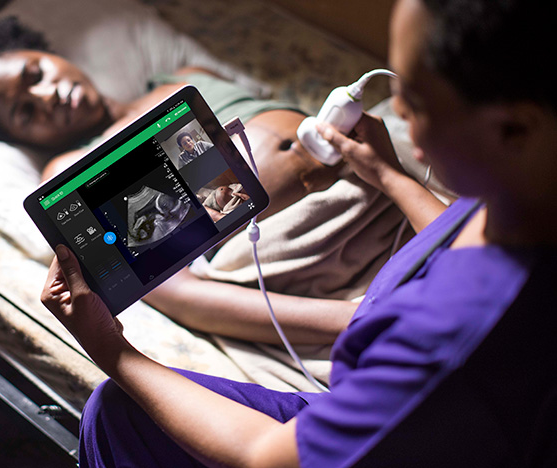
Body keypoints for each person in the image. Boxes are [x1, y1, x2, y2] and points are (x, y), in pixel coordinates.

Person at [40, 0, 557, 465]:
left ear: (515, 128)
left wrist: (111, 350)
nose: (396, 111)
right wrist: (390, 176)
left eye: (417, 103)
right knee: (115, 414)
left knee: (116, 410)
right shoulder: (520, 198)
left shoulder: (443, 341)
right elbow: (460, 232)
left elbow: (267, 458)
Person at [0, 16, 406, 349]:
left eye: (36, 73)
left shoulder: (183, 78)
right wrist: (347, 320)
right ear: (17, 137)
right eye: (24, 111)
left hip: (382, 182)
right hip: (303, 249)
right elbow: (180, 294)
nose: (46, 95)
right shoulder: (72, 170)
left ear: (52, 55)